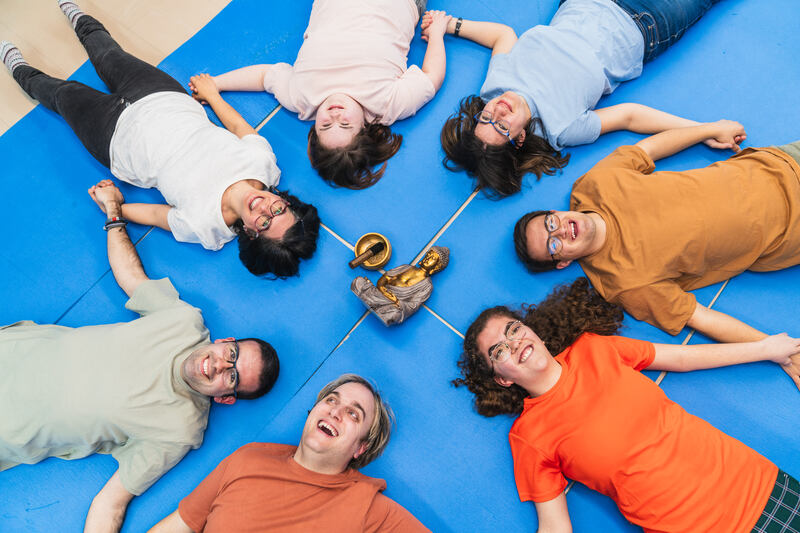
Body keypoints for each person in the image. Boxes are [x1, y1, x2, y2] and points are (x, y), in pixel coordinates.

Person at [0, 180, 280, 533]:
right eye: (232, 353)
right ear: (226, 341)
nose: (221, 364)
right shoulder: (184, 321)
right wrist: (114, 211)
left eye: (233, 376)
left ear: (225, 397)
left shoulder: (180, 430)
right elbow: (131, 277)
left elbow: (112, 500)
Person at [0, 1, 320, 278]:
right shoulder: (264, 166)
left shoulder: (205, 227)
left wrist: (115, 207)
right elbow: (240, 128)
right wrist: (212, 93)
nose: (265, 209)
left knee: (63, 94)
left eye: (264, 223)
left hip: (115, 139)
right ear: (286, 202)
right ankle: (77, 16)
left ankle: (19, 69)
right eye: (279, 210)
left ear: (251, 234)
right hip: (163, 96)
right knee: (107, 52)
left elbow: (155, 215)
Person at [454, 278, 800, 532]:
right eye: (498, 351)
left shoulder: (593, 349)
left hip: (757, 485)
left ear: (532, 331)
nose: (513, 344)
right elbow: (554, 525)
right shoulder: (528, 435)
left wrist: (766, 349)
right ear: (502, 378)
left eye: (513, 330)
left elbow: (680, 357)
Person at [514, 119, 800, 387]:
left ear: (555, 213)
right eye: (553, 245)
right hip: (791, 230)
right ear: (564, 262)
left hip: (778, 163)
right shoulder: (623, 283)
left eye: (550, 223)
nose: (560, 231)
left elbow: (648, 149)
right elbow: (698, 317)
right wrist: (776, 350)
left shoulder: (593, 185)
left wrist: (711, 128)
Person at [434, 0, 734, 197]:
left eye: (485, 118)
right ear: (521, 138)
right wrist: (702, 130)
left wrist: (449, 25)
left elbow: (503, 36)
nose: (497, 112)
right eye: (502, 127)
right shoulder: (562, 128)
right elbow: (629, 116)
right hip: (646, 18)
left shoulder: (495, 89)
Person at [203, 0, 451, 189]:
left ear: (314, 130)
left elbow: (264, 77)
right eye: (345, 124)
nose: (334, 114)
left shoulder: (301, 98)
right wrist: (437, 34)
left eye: (325, 125)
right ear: (364, 128)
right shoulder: (386, 106)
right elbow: (432, 76)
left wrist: (216, 84)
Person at [148, 374, 430, 532]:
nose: (335, 411)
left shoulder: (370, 508)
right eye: (331, 400)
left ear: (360, 448)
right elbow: (178, 526)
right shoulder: (249, 458)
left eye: (353, 414)